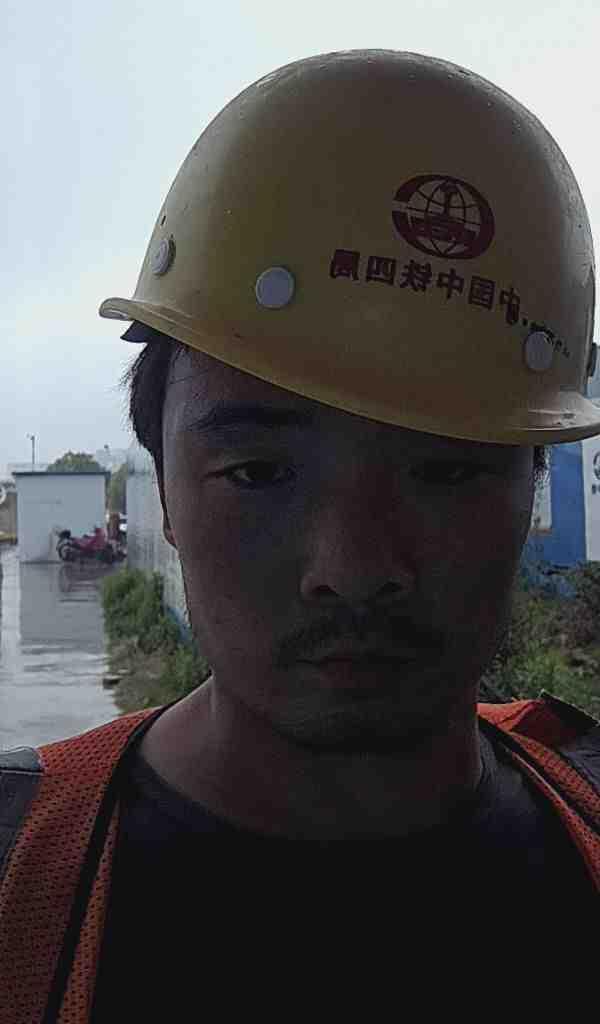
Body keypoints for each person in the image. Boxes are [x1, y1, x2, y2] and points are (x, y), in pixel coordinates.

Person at [1, 50, 599, 1021]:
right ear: (167, 493)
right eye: (259, 472)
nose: (354, 567)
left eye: (447, 471)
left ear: (530, 488)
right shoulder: (19, 883)